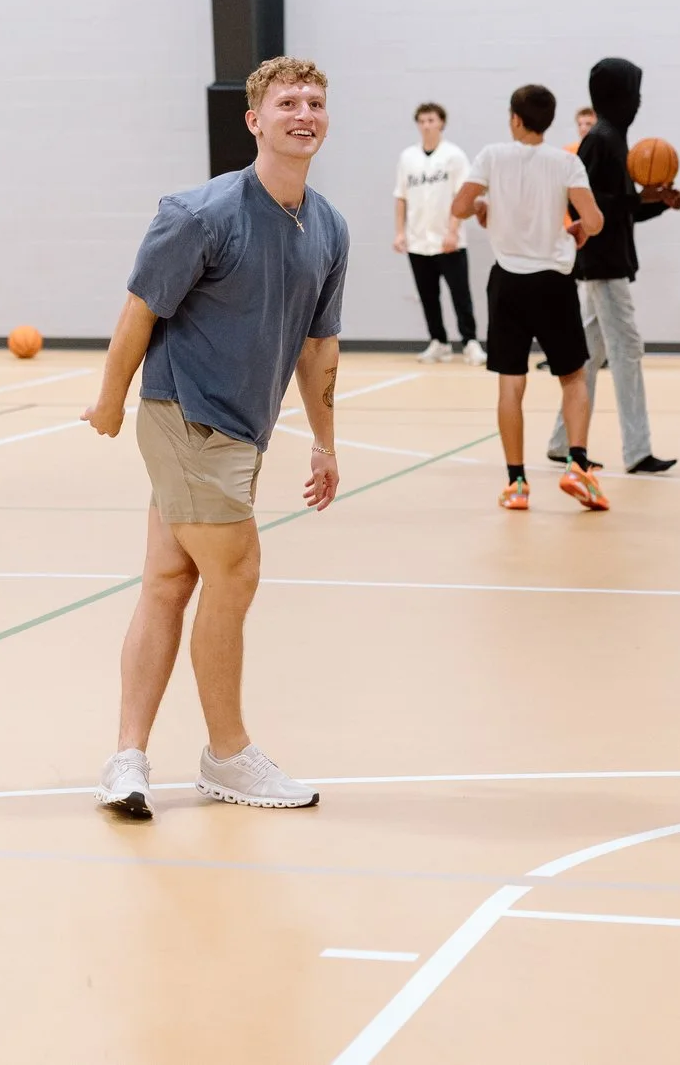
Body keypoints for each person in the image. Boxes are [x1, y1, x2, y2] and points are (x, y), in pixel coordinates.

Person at [88, 57, 347, 819]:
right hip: (186, 415)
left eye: (317, 102)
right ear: (254, 120)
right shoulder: (200, 213)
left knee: (170, 583)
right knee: (236, 570)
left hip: (244, 428)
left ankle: (126, 758)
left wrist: (325, 442)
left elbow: (317, 347)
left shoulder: (326, 225)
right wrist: (108, 400)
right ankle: (227, 754)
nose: (305, 113)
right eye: (288, 102)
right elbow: (140, 309)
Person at [450, 85, 609, 512]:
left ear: (515, 118)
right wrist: (578, 229)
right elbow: (594, 220)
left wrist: (484, 207)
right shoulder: (566, 162)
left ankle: (517, 484)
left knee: (511, 382)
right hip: (554, 283)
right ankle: (577, 466)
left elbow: (460, 206)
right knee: (573, 377)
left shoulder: (492, 156)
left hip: (508, 283)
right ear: (549, 120)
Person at [547, 58, 680, 474]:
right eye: (634, 91)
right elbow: (585, 203)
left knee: (591, 354)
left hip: (608, 261)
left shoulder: (615, 139)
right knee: (627, 350)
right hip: (602, 264)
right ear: (617, 94)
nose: (639, 101)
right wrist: (640, 198)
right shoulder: (602, 141)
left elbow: (619, 210)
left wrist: (655, 202)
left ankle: (559, 441)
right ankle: (638, 450)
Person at [392, 102, 479, 364]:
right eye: (422, 120)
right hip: (419, 241)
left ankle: (470, 342)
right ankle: (439, 342)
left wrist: (453, 231)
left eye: (432, 120)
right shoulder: (408, 157)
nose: (427, 124)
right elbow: (401, 197)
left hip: (448, 241)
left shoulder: (454, 156)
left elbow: (461, 197)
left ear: (441, 123)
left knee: (460, 294)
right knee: (428, 296)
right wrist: (399, 232)